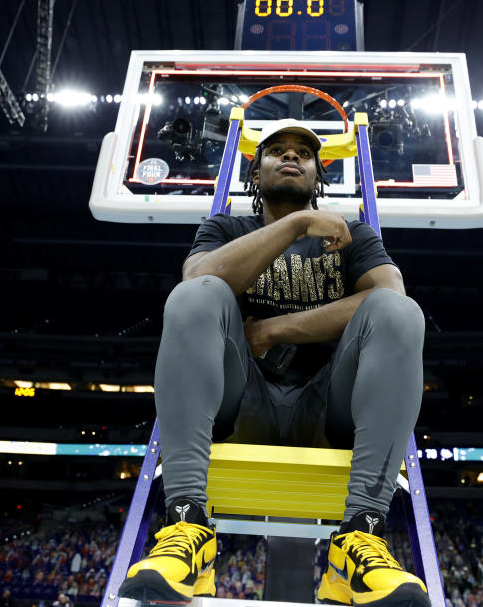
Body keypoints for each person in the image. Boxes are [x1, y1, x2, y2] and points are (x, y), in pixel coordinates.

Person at [119, 118, 428, 607]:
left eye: (303, 153)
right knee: (195, 296)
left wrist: (272, 329)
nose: (291, 157)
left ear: (318, 175)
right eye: (277, 151)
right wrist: (297, 223)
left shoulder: (354, 234)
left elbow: (389, 296)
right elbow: (198, 278)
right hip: (241, 404)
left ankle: (361, 537)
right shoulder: (225, 227)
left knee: (398, 311)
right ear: (255, 173)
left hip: (328, 410)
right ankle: (186, 528)